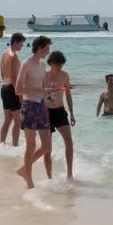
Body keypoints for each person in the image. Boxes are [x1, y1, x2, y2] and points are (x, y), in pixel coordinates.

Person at [15, 36, 53, 189]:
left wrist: (49, 91)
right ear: (40, 47)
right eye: (47, 48)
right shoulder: (26, 64)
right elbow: (18, 90)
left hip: (42, 106)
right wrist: (40, 90)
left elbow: (43, 87)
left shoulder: (43, 65)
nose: (49, 51)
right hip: (29, 105)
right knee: (31, 145)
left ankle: (24, 169)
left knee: (46, 146)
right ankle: (29, 181)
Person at [42, 51, 75, 180]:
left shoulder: (65, 76)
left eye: (62, 64)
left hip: (60, 111)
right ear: (51, 63)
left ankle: (70, 174)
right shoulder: (44, 76)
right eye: (58, 65)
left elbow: (67, 93)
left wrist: (72, 114)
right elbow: (37, 93)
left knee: (69, 141)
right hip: (46, 112)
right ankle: (49, 177)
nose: (60, 67)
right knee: (47, 147)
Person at [0, 32, 25, 147]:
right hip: (13, 89)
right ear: (15, 42)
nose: (22, 46)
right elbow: (15, 77)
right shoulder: (13, 56)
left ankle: (1, 143)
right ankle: (15, 146)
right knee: (17, 121)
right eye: (21, 43)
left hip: (4, 88)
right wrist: (19, 94)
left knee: (7, 120)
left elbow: (2, 74)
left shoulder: (4, 53)